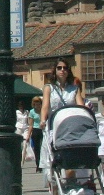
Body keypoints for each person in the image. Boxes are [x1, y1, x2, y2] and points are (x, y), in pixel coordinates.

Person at [42, 57, 86, 185]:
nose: (62, 70)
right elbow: (45, 106)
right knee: (53, 163)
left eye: (65, 68)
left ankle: (71, 185)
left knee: (70, 160)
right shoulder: (48, 88)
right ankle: (55, 188)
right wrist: (43, 120)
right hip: (54, 127)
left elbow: (81, 106)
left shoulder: (74, 89)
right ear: (55, 71)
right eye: (59, 68)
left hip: (70, 128)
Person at [29, 95, 44, 170]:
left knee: (43, 147)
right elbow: (31, 124)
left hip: (43, 129)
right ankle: (38, 164)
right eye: (35, 103)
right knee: (37, 148)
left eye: (38, 103)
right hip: (35, 130)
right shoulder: (32, 112)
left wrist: (41, 111)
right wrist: (28, 135)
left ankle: (43, 163)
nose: (36, 105)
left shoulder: (43, 110)